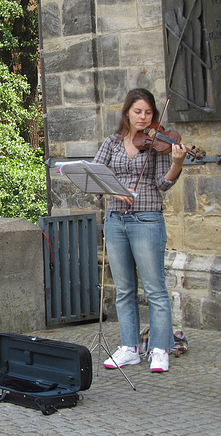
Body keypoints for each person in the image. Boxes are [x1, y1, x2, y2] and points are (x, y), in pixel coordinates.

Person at [93, 88, 187, 373]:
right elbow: (95, 172)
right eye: (138, 112)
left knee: (155, 289)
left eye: (148, 112)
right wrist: (115, 189)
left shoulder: (158, 143)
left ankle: (160, 349)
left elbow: (163, 183)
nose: (143, 117)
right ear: (127, 113)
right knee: (123, 289)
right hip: (116, 219)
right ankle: (130, 347)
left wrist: (178, 162)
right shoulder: (112, 142)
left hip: (147, 219)